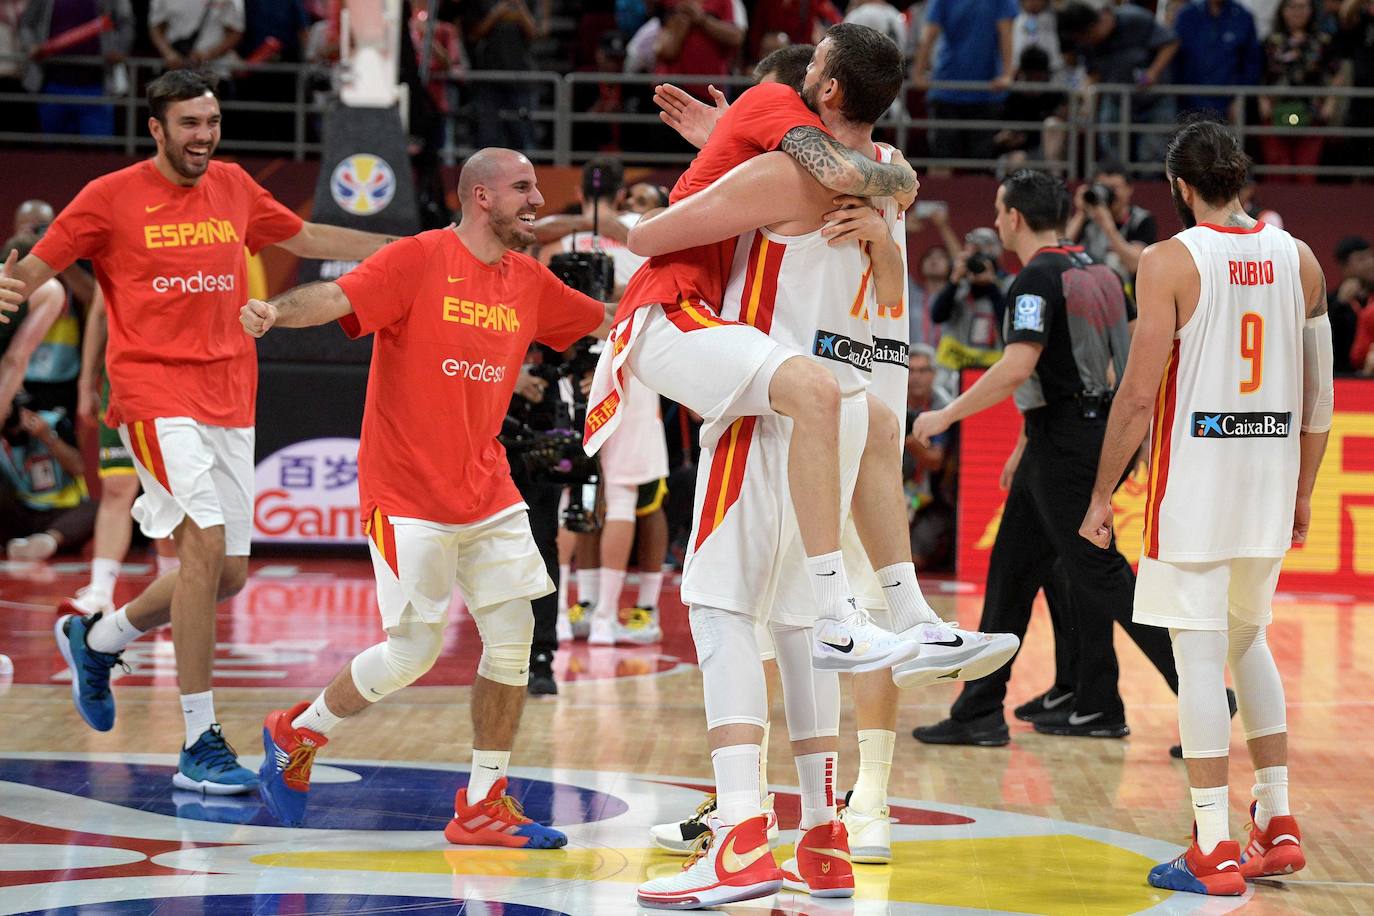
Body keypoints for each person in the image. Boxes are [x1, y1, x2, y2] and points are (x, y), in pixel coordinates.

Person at [621, 28, 1017, 905]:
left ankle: (738, 834)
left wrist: (705, 172)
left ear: (819, 92)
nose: (797, 85)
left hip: (774, 405)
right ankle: (826, 832)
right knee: (801, 624)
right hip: (830, 401)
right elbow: (886, 210)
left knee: (725, 611)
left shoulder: (790, 147)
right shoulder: (885, 170)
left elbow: (659, 230)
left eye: (810, 74)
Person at [0, 69, 398, 794]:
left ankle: (98, 640)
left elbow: (304, 233)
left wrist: (398, 245)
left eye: (211, 122)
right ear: (156, 128)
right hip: (154, 390)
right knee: (202, 542)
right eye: (189, 124)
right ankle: (197, 740)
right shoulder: (109, 197)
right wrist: (10, 281)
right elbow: (37, 267)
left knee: (228, 574)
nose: (204, 136)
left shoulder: (236, 185)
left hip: (229, 393)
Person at [244, 147, 613, 841]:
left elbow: (605, 319)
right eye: (524, 188)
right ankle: (297, 731)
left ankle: (482, 802)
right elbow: (335, 297)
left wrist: (687, 309)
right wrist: (273, 311)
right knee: (411, 653)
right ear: (480, 197)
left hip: (487, 488)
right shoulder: (418, 258)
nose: (537, 200)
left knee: (513, 638)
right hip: (407, 490)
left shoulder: (527, 280)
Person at [1080, 119, 1328, 896]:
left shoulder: (1169, 260)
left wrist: (1100, 492)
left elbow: (1137, 390)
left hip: (1199, 479)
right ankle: (1278, 821)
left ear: (1181, 187)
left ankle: (1213, 845)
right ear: (1242, 179)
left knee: (1197, 654)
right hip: (1268, 475)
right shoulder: (1303, 258)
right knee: (1248, 640)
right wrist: (1303, 491)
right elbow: (1319, 401)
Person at [912, 169, 1178, 746]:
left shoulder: (1034, 279)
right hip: (1077, 436)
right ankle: (980, 711)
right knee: (1010, 575)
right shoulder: (1101, 270)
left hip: (1066, 444)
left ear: (1015, 217)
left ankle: (1201, 690)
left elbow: (1018, 366)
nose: (998, 219)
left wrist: (944, 415)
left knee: (1103, 576)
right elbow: (1110, 366)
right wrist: (1028, 444)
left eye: (999, 209)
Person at [543, 158, 671, 646]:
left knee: (573, 490)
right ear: (622, 195)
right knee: (621, 494)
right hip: (627, 365)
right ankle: (602, 621)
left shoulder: (561, 237)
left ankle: (560, 616)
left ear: (578, 188)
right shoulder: (641, 230)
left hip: (572, 368)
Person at [1057, 0, 1179, 165]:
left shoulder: (1135, 18)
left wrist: (1153, 72)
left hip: (1154, 98)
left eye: (1087, 36)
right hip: (1116, 99)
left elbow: (1171, 42)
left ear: (1095, 25)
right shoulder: (1086, 43)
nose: (1087, 42)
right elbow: (1093, 75)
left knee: (1151, 154)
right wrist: (1087, 106)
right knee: (1112, 150)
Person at [911, 0, 1018, 166]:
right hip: (946, 91)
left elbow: (1006, 33)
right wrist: (918, 73)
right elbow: (929, 33)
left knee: (980, 163)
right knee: (941, 161)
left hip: (985, 93)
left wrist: (1007, 74)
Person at [1, 391, 95, 560]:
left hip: (61, 513)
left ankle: (46, 542)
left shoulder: (54, 422)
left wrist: (47, 437)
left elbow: (78, 467)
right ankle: (15, 543)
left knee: (97, 509)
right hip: (22, 512)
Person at [19, 0, 135, 137]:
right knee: (51, 152)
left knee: (98, 152)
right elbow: (26, 25)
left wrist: (120, 49)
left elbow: (126, 23)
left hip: (96, 85)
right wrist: (31, 45)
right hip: (52, 83)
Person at [1065, 161, 1158, 294]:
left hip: (1126, 301)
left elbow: (1135, 264)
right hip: (1087, 295)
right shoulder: (1086, 219)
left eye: (1114, 188)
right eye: (1103, 187)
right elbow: (1059, 251)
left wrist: (1108, 227)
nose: (1108, 194)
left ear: (1129, 189)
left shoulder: (1141, 220)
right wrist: (1080, 213)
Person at [1328, 235, 1372, 373]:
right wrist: (1340, 304)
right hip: (1345, 378)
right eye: (1361, 259)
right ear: (1344, 266)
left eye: (1370, 257)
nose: (1370, 263)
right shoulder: (1330, 302)